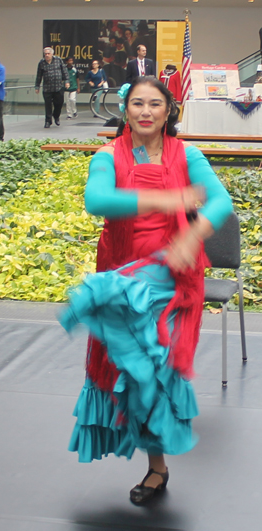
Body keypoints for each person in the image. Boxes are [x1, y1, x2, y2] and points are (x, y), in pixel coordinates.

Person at [60, 77, 233, 505]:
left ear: (168, 110)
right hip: (123, 278)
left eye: (155, 104)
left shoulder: (186, 154)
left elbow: (219, 202)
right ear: (126, 110)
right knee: (129, 376)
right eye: (137, 103)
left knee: (153, 372)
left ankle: (157, 467)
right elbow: (97, 200)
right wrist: (164, 200)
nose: (145, 112)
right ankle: (157, 464)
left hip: (174, 282)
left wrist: (193, 237)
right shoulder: (107, 156)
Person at [35, 47, 69, 128]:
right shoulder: (41, 63)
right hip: (47, 88)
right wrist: (37, 86)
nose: (47, 55)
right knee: (48, 105)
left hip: (58, 87)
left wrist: (67, 81)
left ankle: (56, 116)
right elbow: (39, 75)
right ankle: (48, 121)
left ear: (52, 54)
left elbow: (64, 71)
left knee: (59, 103)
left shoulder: (58, 60)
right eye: (45, 54)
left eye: (48, 53)